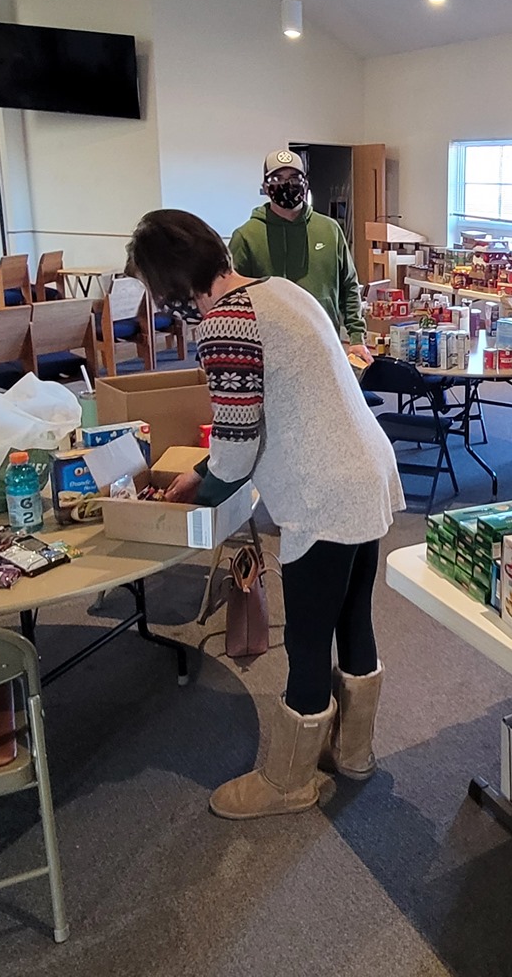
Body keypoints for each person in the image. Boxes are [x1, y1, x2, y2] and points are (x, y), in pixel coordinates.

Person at [129, 209, 405, 820]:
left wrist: (188, 496)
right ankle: (354, 754)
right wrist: (202, 470)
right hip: (368, 472)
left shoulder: (224, 324)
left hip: (324, 493)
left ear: (170, 285)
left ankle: (289, 782)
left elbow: (234, 451)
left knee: (306, 639)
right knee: (352, 618)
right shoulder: (280, 290)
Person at [230, 149, 373, 362]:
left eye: (295, 177)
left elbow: (349, 286)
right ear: (265, 186)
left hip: (325, 340)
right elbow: (232, 297)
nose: (287, 184)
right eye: (277, 178)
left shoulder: (330, 230)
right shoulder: (246, 236)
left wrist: (356, 337)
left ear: (305, 183)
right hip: (270, 347)